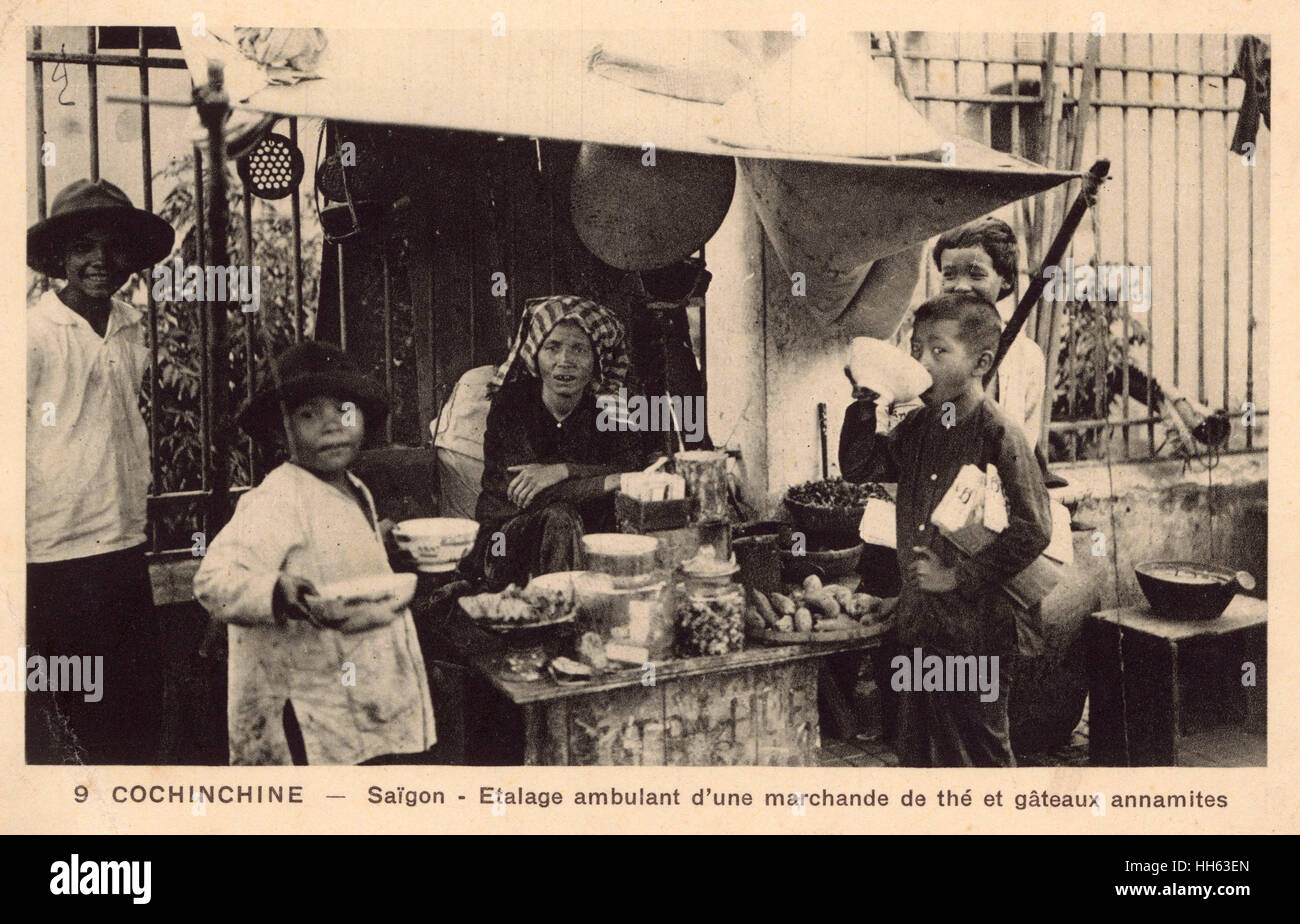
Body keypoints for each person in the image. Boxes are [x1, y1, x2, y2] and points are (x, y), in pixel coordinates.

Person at [193, 341, 436, 765]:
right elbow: (213, 580)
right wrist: (276, 589)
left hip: (360, 679)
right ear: (278, 432)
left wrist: (380, 541)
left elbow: (328, 545)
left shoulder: (352, 486)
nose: (331, 427)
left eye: (343, 412)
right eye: (308, 415)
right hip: (308, 697)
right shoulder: (276, 499)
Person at [839, 292, 1052, 767]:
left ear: (981, 362)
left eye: (939, 351)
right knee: (918, 748)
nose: (922, 363)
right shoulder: (917, 426)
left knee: (980, 750)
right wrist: (865, 399)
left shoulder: (1000, 433)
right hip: (919, 623)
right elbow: (858, 466)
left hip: (977, 631)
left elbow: (1033, 528)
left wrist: (959, 577)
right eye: (917, 350)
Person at [25, 178, 175, 764]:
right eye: (84, 247)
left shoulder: (129, 325)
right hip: (54, 553)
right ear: (60, 257)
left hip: (122, 542)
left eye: (114, 247)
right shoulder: (32, 334)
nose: (99, 261)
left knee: (134, 706)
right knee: (69, 712)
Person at [465, 295, 648, 589]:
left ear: (596, 361)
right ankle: (558, 625)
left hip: (587, 541)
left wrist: (563, 470)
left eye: (579, 349)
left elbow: (631, 473)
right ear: (536, 355)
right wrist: (607, 479)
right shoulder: (512, 405)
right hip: (505, 543)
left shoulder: (612, 408)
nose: (565, 361)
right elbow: (527, 495)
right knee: (559, 518)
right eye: (553, 347)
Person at [932, 216, 1047, 451]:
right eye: (949, 274)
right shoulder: (922, 346)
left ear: (1005, 280)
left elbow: (1023, 445)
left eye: (976, 274)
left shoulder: (1027, 356)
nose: (961, 286)